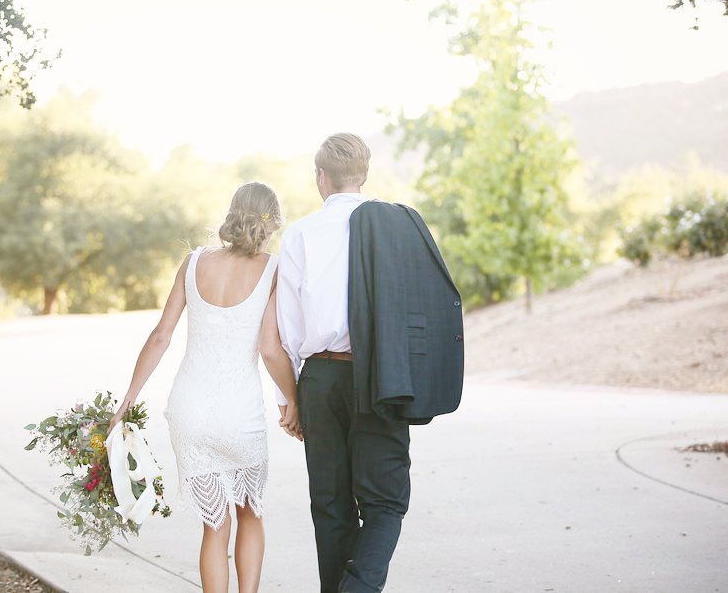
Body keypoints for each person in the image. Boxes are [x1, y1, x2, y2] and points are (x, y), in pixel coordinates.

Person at [276, 132, 463, 593]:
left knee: (331, 504)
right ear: (364, 175)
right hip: (383, 373)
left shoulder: (299, 233)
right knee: (384, 502)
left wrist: (293, 397)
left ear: (321, 178)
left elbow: (289, 330)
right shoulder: (400, 227)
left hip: (318, 377)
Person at [108, 181, 302, 593]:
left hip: (188, 409)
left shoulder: (193, 262)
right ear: (272, 223)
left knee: (215, 527)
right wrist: (294, 400)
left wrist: (127, 400)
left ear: (232, 213)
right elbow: (270, 350)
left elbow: (161, 335)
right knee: (250, 515)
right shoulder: (274, 269)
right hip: (240, 413)